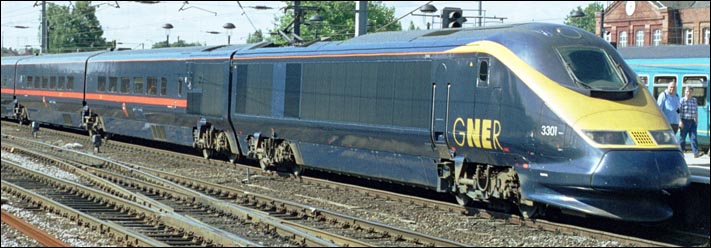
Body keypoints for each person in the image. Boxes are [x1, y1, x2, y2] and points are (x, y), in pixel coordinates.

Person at [679, 87, 703, 158]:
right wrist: (680, 121)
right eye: (687, 91)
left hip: (692, 121)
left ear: (692, 92)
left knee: (693, 137)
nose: (688, 93)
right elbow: (678, 111)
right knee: (682, 138)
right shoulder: (682, 100)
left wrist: (696, 120)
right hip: (684, 121)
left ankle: (696, 153)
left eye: (690, 92)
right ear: (685, 92)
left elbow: (696, 111)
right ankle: (681, 152)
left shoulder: (694, 100)